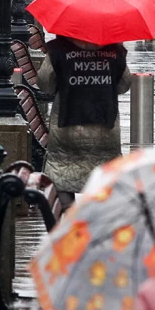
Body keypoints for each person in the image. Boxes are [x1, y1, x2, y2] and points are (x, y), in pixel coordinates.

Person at [36, 36, 131, 206]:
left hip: (66, 128)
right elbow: (124, 85)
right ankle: (98, 219)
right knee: (104, 173)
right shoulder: (114, 48)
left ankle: (66, 214)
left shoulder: (58, 48)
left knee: (62, 172)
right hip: (105, 128)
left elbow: (45, 84)